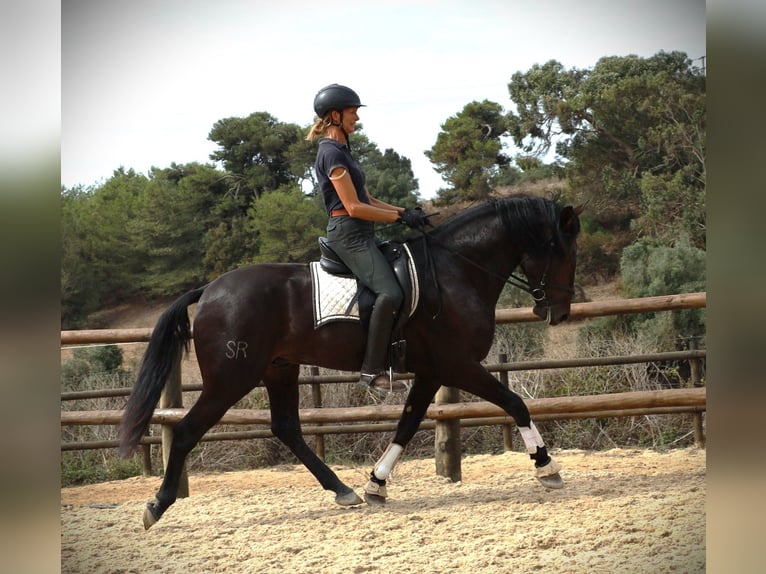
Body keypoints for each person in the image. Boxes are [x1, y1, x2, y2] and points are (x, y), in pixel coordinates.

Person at [306, 83, 428, 390]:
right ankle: (372, 371)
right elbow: (353, 207)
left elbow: (369, 199)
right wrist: (399, 217)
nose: (356, 119)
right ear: (334, 116)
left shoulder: (344, 152)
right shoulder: (331, 153)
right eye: (352, 113)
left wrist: (405, 211)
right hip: (348, 235)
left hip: (361, 232)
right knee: (391, 292)